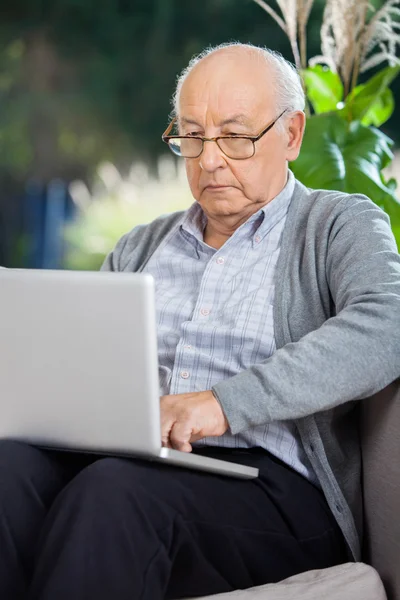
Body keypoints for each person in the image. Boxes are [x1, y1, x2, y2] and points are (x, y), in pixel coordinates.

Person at [1, 43, 399, 600]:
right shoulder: (139, 246)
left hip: (273, 491)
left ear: (292, 134)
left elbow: (387, 328)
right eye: (192, 136)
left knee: (115, 494)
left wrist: (218, 403)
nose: (209, 160)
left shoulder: (339, 224)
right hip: (132, 464)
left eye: (235, 137)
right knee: (8, 470)